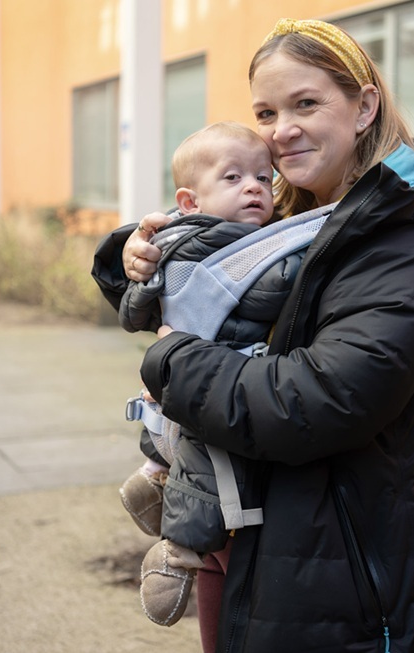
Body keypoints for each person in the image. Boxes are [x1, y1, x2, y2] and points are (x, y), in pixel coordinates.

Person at [92, 17, 414, 653]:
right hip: (260, 544)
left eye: (305, 103)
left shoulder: (408, 238)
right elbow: (213, 286)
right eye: (266, 111)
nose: (281, 131)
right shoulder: (295, 213)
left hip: (355, 580)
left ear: (365, 106)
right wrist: (141, 256)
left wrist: (173, 360)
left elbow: (319, 400)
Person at [114, 120, 281, 627]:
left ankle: (152, 479)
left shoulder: (178, 237)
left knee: (189, 455)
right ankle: (177, 550)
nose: (254, 186)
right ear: (190, 201)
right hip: (212, 385)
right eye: (233, 178)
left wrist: (139, 275)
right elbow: (269, 292)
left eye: (263, 177)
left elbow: (134, 313)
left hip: (184, 382)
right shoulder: (226, 242)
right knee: (209, 472)